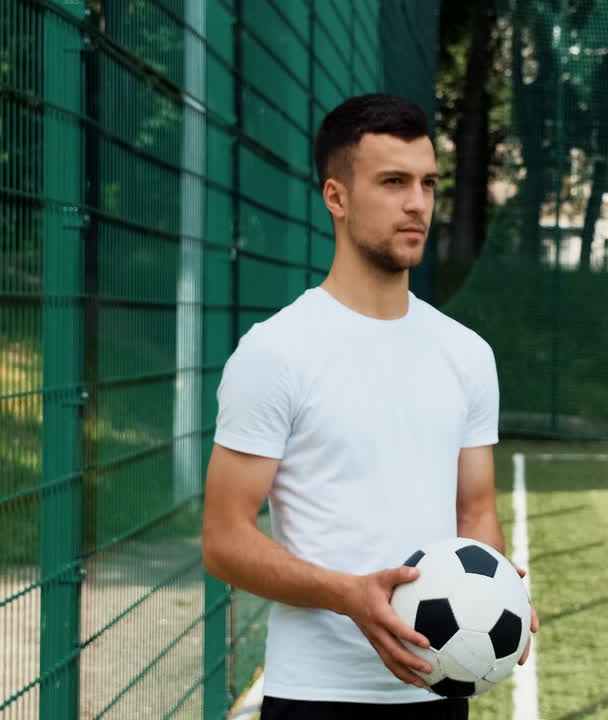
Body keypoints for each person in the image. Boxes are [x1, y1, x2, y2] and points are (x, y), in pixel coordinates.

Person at [202, 93, 535, 720]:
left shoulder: (466, 354)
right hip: (317, 695)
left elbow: (477, 510)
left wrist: (501, 596)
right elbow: (223, 539)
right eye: (392, 182)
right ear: (337, 197)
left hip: (438, 688)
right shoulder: (276, 352)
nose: (417, 203)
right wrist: (348, 595)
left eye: (428, 183)